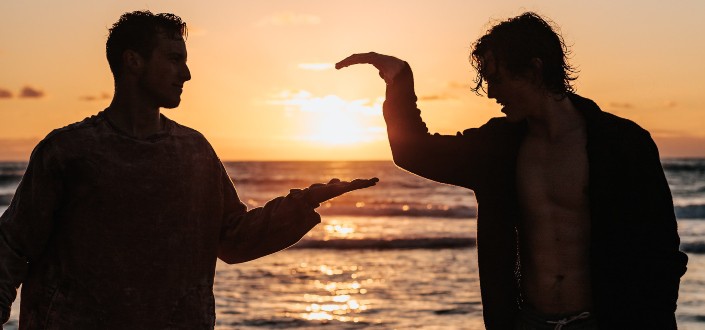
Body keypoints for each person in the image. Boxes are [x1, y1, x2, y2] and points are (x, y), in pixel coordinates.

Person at [0, 10, 377, 329]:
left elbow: (232, 238)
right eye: (174, 59)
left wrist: (304, 202)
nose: (187, 73)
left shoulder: (194, 151)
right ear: (133, 61)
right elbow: (13, 246)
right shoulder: (69, 151)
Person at [337, 12, 687, 330]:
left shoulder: (623, 143)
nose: (490, 93)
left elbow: (662, 251)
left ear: (534, 70)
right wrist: (400, 80)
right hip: (528, 324)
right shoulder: (497, 149)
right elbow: (414, 152)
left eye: (497, 79)